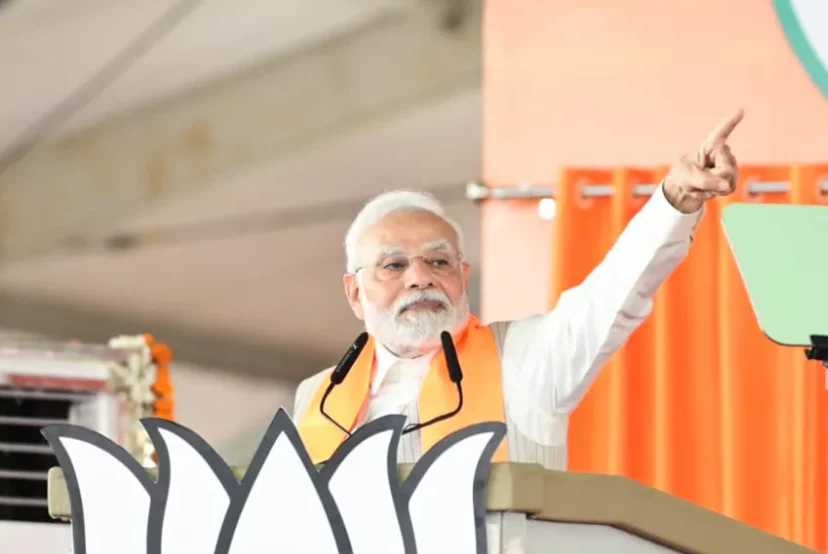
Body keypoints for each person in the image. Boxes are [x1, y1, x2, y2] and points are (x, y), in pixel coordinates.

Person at [293, 111, 743, 470]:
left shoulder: (525, 359)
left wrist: (674, 200)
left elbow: (611, 298)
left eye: (438, 261)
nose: (419, 277)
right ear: (355, 293)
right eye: (394, 265)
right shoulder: (319, 396)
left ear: (462, 275)